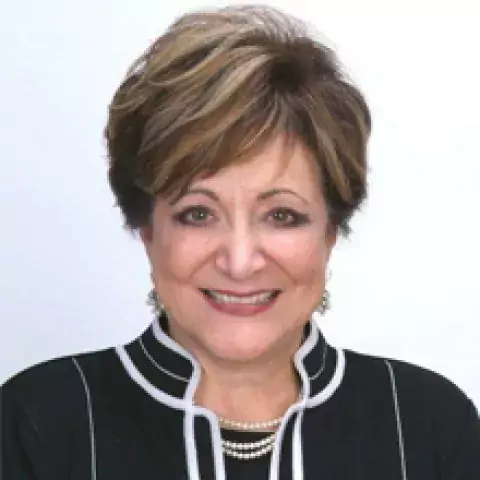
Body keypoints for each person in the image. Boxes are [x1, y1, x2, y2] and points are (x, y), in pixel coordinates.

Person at [1, 4, 479, 480]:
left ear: (331, 231)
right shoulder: (38, 425)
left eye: (282, 216)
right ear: (147, 230)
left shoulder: (427, 426)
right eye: (198, 214)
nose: (240, 261)